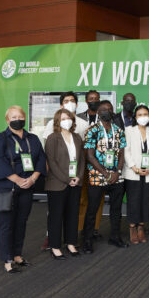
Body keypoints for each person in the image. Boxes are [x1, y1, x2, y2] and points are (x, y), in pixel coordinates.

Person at [0, 105, 46, 273]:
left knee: (21, 222)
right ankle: (7, 259)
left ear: (25, 118)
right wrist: (18, 180)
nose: (17, 120)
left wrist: (33, 178)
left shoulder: (33, 139)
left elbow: (41, 160)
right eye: (13, 117)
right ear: (7, 120)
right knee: (7, 224)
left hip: (27, 187)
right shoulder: (0, 139)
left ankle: (17, 255)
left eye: (19, 117)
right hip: (7, 187)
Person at [82, 100, 128, 253]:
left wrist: (117, 172)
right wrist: (105, 173)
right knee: (92, 209)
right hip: (97, 176)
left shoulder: (119, 130)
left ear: (113, 111)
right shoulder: (92, 130)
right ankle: (87, 240)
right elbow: (89, 155)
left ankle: (115, 236)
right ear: (98, 112)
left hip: (116, 176)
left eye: (109, 108)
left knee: (116, 209)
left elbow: (122, 153)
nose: (106, 111)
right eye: (103, 109)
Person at [44, 109, 85, 260]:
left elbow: (81, 160)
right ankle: (55, 247)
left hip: (76, 182)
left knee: (73, 215)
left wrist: (78, 177)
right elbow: (52, 163)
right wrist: (68, 179)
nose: (66, 120)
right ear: (57, 121)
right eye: (63, 118)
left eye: (68, 117)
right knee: (56, 216)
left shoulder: (77, 137)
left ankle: (71, 243)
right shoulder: (52, 138)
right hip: (57, 184)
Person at [123, 105, 149, 244]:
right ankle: (132, 228)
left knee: (145, 200)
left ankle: (141, 227)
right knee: (133, 200)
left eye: (145, 114)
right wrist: (134, 168)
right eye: (140, 114)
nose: (143, 117)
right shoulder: (129, 130)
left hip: (148, 172)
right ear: (135, 117)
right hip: (133, 172)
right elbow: (126, 151)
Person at [77, 90, 104, 241]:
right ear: (86, 101)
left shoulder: (105, 117)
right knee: (83, 197)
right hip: (83, 162)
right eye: (91, 99)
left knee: (98, 197)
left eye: (96, 99)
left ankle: (95, 228)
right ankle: (81, 227)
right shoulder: (79, 118)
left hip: (99, 164)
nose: (94, 101)